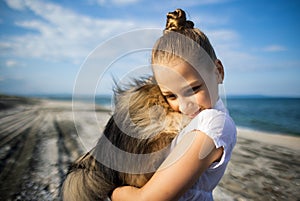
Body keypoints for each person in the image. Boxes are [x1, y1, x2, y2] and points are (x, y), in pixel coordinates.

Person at [111, 8, 237, 201]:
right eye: (171, 96)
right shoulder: (194, 122)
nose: (185, 107)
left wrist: (111, 191)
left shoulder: (214, 124)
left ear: (218, 71)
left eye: (194, 89)